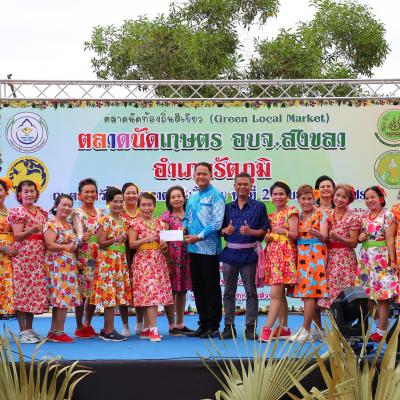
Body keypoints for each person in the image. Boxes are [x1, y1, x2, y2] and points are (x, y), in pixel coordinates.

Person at [220, 173, 269, 340]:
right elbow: (220, 230)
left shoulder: (259, 206)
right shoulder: (227, 207)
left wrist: (251, 231)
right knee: (228, 292)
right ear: (234, 186)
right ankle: (228, 327)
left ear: (251, 186)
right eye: (239, 184)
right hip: (230, 254)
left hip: (250, 255)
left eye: (245, 184)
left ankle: (250, 328)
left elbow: (264, 231)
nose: (242, 187)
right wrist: (225, 230)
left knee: (251, 293)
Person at [183, 162, 225, 339]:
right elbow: (186, 218)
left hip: (209, 250)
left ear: (211, 175)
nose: (200, 176)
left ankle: (213, 326)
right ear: (194, 176)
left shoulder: (216, 196)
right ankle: (203, 324)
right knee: (199, 288)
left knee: (211, 288)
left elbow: (217, 224)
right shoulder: (192, 197)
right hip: (193, 249)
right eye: (198, 173)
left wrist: (198, 237)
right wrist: (184, 228)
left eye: (204, 173)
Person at [129, 192, 173, 342]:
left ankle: (146, 328)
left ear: (154, 206)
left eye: (149, 205)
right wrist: (145, 240)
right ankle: (154, 329)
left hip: (158, 260)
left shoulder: (160, 223)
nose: (146, 208)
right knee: (150, 293)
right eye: (143, 205)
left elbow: (164, 245)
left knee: (154, 294)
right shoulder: (134, 223)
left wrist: (164, 246)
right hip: (143, 261)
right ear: (138, 206)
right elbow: (131, 244)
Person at [356, 186, 399, 342]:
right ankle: (381, 325)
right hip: (366, 259)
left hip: (380, 259)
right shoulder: (364, 217)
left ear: (381, 198)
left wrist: (392, 261)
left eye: (373, 197)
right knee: (366, 295)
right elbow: (359, 237)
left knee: (382, 297)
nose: (369, 200)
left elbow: (390, 240)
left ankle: (380, 331)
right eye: (366, 198)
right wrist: (360, 237)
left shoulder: (387, 215)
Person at [8, 180, 48, 343]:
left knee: (33, 293)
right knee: (22, 292)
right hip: (23, 257)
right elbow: (17, 236)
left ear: (37, 193)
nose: (29, 194)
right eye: (26, 191)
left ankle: (30, 329)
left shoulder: (41, 212)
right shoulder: (18, 212)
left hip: (38, 258)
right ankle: (23, 331)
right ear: (19, 195)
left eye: (32, 191)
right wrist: (31, 230)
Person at [91, 187, 132, 342]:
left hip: (120, 260)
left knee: (115, 295)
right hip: (107, 262)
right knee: (109, 296)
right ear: (109, 202)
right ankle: (109, 330)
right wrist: (115, 239)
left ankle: (105, 329)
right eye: (115, 201)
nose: (119, 204)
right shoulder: (104, 220)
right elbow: (101, 243)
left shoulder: (124, 221)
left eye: (121, 201)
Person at [260, 181, 298, 342]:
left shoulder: (291, 211)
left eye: (281, 194)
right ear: (271, 197)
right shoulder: (270, 216)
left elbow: (295, 234)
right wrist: (267, 237)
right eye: (275, 194)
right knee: (279, 294)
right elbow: (268, 235)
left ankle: (267, 328)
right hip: (272, 256)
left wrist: (284, 231)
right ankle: (284, 329)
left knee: (275, 294)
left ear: (287, 196)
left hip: (285, 256)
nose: (278, 197)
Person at [290, 185, 328, 342]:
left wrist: (318, 234)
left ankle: (305, 329)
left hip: (316, 255)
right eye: (303, 199)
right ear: (298, 200)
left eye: (309, 198)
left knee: (310, 293)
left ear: (314, 199)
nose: (306, 202)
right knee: (308, 293)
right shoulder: (297, 216)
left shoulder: (321, 213)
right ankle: (319, 331)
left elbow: (325, 236)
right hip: (301, 255)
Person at [44, 194, 81, 343]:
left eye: (69, 205)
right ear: (56, 206)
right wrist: (66, 247)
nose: (66, 208)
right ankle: (59, 332)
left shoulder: (69, 225)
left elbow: (72, 245)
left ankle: (54, 331)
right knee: (62, 299)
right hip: (57, 267)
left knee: (61, 300)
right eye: (63, 205)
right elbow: (49, 245)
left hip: (68, 266)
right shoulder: (52, 223)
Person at [72, 178, 105, 339]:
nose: (90, 194)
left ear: (97, 194)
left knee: (93, 291)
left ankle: (87, 323)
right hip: (85, 257)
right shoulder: (77, 213)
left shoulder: (101, 213)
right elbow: (78, 232)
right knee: (82, 292)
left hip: (98, 256)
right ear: (80, 195)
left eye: (93, 192)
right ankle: (79, 327)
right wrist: (80, 237)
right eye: (86, 192)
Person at [318, 184, 361, 309]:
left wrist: (338, 238)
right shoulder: (327, 214)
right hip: (328, 258)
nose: (339, 199)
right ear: (333, 196)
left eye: (344, 197)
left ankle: (349, 320)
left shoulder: (353, 217)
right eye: (337, 195)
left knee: (346, 294)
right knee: (329, 293)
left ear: (349, 200)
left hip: (345, 259)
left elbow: (354, 243)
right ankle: (333, 321)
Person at [160, 186, 194, 336]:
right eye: (172, 197)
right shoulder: (166, 216)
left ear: (184, 198)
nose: (176, 199)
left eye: (179, 196)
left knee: (182, 291)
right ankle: (171, 325)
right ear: (169, 201)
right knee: (171, 291)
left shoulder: (190, 215)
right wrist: (167, 261)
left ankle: (180, 323)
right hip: (172, 258)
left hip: (188, 257)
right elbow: (163, 239)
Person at [120, 182, 143, 337]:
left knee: (140, 287)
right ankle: (125, 325)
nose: (131, 195)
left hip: (140, 254)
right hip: (123, 254)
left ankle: (140, 323)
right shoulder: (119, 213)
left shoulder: (143, 212)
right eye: (128, 193)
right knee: (123, 289)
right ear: (123, 195)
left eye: (134, 193)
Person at [0, 178, 18, 317]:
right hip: (2, 251)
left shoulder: (10, 212)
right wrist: (2, 248)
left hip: (10, 254)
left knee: (6, 282)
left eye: (0, 190)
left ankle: (6, 310)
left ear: (6, 192)